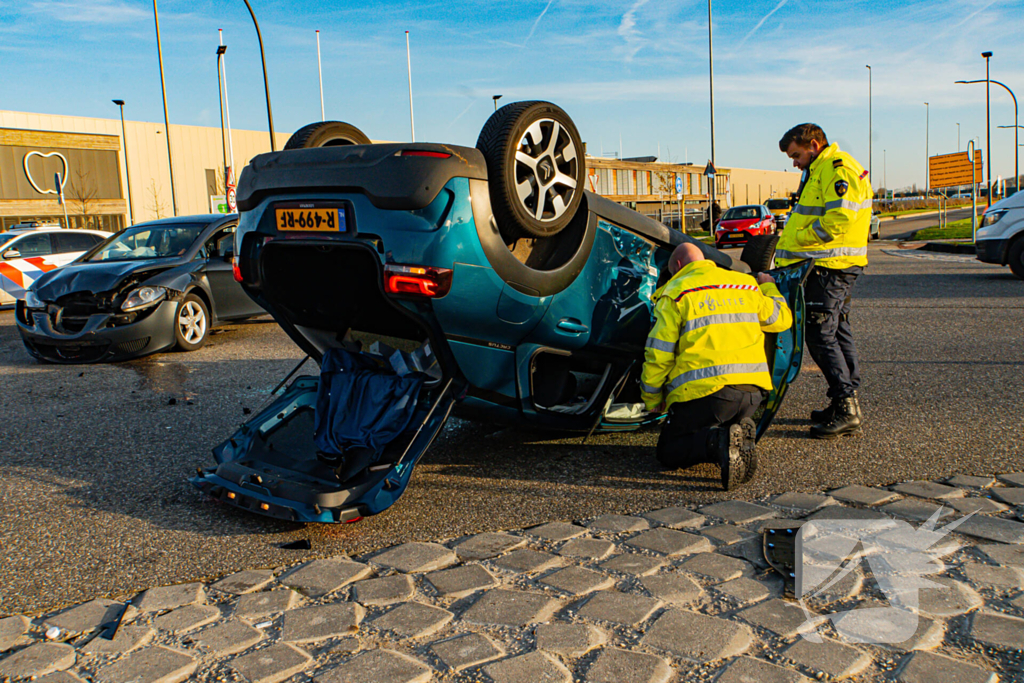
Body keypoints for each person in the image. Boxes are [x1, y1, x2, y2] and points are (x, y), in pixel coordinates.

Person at [641, 243, 792, 490]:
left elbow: (659, 354)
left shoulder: (675, 293)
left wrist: (652, 398)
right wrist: (768, 286)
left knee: (669, 451)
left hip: (709, 395)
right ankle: (733, 434)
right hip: (752, 394)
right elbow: (781, 319)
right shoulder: (745, 284)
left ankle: (718, 441)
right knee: (719, 421)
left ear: (677, 265)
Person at [777, 123, 871, 438]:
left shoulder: (836, 168)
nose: (795, 163)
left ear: (814, 145)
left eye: (796, 155)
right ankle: (845, 401)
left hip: (830, 266)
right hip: (832, 265)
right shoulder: (821, 169)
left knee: (820, 334)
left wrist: (800, 239)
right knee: (837, 330)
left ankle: (846, 408)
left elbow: (839, 219)